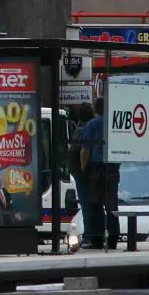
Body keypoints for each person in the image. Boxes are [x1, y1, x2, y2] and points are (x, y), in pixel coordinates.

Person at [78, 97, 121, 249]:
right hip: (113, 168)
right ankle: (113, 239)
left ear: (95, 108)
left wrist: (83, 168)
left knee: (95, 205)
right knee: (112, 206)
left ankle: (97, 239)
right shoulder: (114, 122)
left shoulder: (92, 124)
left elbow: (85, 150)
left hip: (96, 169)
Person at [67, 102, 96, 242]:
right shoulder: (88, 127)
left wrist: (81, 169)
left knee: (86, 205)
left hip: (82, 172)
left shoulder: (81, 129)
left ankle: (89, 235)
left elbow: (82, 151)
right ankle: (91, 234)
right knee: (91, 205)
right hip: (86, 171)